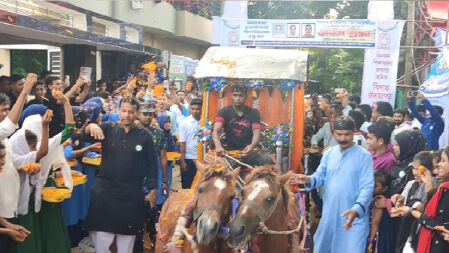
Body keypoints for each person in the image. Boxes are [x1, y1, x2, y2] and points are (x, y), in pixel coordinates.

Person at [82, 97, 158, 253]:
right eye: (123, 111)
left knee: (126, 240)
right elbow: (82, 135)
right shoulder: (108, 128)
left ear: (136, 113)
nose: (127, 115)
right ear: (118, 111)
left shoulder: (144, 136)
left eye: (131, 112)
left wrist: (153, 190)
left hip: (131, 194)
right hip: (105, 192)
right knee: (102, 238)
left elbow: (152, 163)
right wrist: (90, 126)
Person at [291, 116, 374, 253]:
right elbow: (320, 176)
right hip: (329, 216)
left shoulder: (364, 156)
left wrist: (357, 209)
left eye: (347, 134)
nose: (343, 138)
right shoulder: (329, 153)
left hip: (353, 218)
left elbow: (367, 187)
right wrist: (307, 179)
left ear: (354, 132)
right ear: (333, 132)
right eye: (339, 134)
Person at [0, 73, 37, 253]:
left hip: (8, 209)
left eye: (8, 109)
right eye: (2, 110)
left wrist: (21, 168)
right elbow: (9, 125)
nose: (6, 115)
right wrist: (25, 92)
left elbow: (7, 164)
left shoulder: (5, 140)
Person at [391, 146, 449, 253]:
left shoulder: (444, 189)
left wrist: (411, 211)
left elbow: (435, 222)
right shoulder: (419, 184)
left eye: (443, 161)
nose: (438, 165)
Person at [213, 83, 273, 167]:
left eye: (241, 95)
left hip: (250, 151)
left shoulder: (253, 113)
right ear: (231, 96)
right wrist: (218, 146)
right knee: (215, 166)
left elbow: (256, 133)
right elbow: (216, 131)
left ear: (246, 96)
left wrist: (251, 146)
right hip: (231, 152)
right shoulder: (224, 112)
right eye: (235, 95)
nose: (238, 98)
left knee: (268, 159)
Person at [367, 171, 393, 253]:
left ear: (384, 188)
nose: (372, 188)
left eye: (375, 186)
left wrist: (370, 242)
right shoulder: (385, 200)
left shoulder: (378, 201)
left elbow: (375, 223)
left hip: (378, 238)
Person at [179, 98, 202, 189]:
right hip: (188, 158)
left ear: (202, 108)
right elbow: (182, 143)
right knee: (187, 186)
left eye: (197, 109)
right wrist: (182, 161)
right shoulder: (184, 122)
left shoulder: (207, 122)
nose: (195, 111)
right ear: (190, 109)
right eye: (193, 109)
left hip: (202, 158)